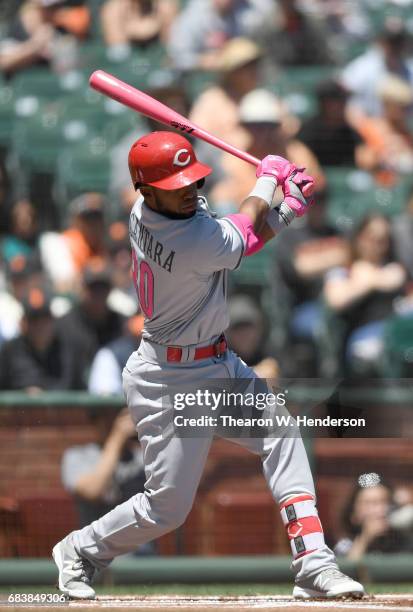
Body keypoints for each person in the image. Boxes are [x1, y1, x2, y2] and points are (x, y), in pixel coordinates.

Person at [52, 131, 365, 600]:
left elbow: (235, 243)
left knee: (281, 435)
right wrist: (270, 186)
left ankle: (313, 562)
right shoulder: (181, 235)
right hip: (169, 379)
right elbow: (234, 237)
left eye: (190, 181)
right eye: (175, 184)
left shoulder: (165, 211)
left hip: (217, 362)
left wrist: (283, 208)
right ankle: (80, 548)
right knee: (168, 510)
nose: (187, 191)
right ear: (145, 190)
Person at [323, 214, 407, 374]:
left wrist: (368, 276)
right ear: (359, 238)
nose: (376, 245)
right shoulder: (343, 271)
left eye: (382, 240)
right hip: (359, 338)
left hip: (392, 332)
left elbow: (396, 277)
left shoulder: (393, 267)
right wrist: (367, 280)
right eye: (371, 237)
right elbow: (336, 299)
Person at [0, 285, 85, 391]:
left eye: (45, 318)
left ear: (53, 319)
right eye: (34, 320)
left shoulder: (69, 350)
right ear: (23, 323)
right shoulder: (10, 352)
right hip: (20, 408)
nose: (40, 326)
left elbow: (81, 393)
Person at [335, 474, 413, 559]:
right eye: (369, 503)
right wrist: (365, 539)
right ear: (354, 514)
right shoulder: (345, 545)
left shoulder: (404, 542)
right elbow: (346, 569)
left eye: (384, 501)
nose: (380, 511)